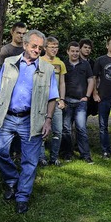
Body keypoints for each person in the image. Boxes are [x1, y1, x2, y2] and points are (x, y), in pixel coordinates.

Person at [0, 29, 58, 214]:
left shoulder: (47, 69)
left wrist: (48, 120)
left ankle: (22, 196)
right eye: (34, 46)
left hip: (31, 120)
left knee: (30, 161)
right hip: (6, 116)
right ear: (24, 45)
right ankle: (11, 179)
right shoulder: (9, 63)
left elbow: (52, 98)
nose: (37, 50)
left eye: (40, 48)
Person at [60, 41, 94, 164]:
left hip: (81, 102)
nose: (75, 53)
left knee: (81, 128)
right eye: (72, 51)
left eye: (76, 51)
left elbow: (91, 80)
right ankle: (67, 153)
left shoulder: (85, 65)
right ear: (68, 51)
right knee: (66, 129)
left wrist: (87, 96)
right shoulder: (63, 64)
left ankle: (85, 155)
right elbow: (60, 82)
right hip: (67, 101)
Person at [39, 36, 67, 166]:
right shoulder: (39, 61)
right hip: (42, 101)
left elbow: (62, 83)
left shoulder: (60, 63)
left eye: (56, 47)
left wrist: (62, 99)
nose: (55, 49)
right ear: (45, 48)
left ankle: (54, 157)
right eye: (52, 47)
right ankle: (41, 157)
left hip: (56, 102)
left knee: (58, 130)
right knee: (41, 130)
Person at [79, 38, 98, 117]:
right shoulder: (74, 61)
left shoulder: (93, 63)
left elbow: (95, 78)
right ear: (80, 48)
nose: (87, 49)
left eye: (89, 48)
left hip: (88, 93)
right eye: (85, 47)